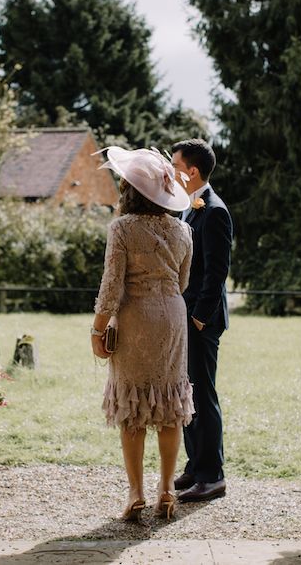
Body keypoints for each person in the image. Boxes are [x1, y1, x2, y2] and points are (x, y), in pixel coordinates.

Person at [91, 147, 194, 522]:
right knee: (169, 406)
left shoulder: (122, 228)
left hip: (134, 317)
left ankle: (135, 494)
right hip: (172, 317)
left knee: (131, 407)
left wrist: (97, 328)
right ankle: (166, 491)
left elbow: (112, 283)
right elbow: (182, 282)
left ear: (129, 190)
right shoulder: (184, 229)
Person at [170, 138, 233, 503]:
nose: (172, 171)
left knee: (202, 394)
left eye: (176, 165)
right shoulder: (189, 207)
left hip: (201, 321)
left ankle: (213, 476)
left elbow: (216, 273)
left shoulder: (215, 211)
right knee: (187, 392)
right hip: (185, 316)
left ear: (192, 171)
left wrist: (198, 318)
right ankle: (195, 466)